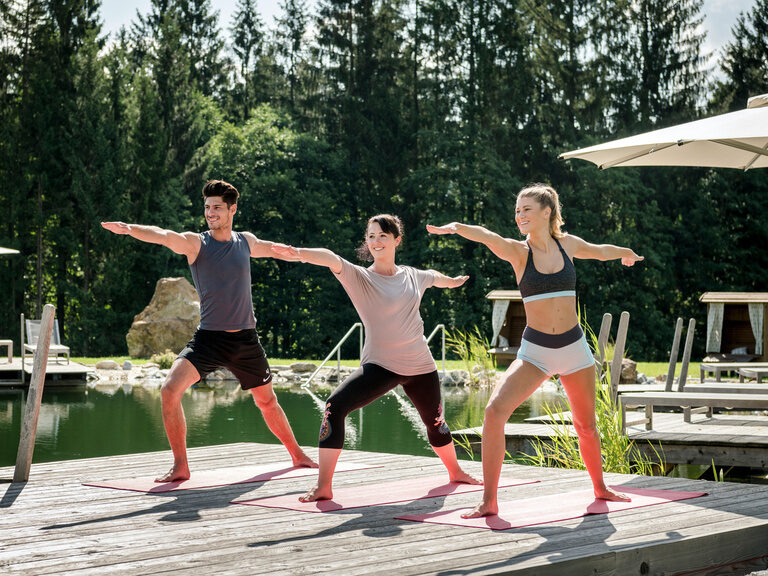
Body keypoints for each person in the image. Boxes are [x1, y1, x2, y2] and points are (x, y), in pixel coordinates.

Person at [427, 183, 643, 518]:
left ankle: (600, 487)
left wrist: (625, 251)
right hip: (536, 351)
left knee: (586, 425)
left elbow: (600, 250)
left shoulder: (567, 245)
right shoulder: (518, 252)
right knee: (494, 413)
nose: (519, 215)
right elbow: (486, 236)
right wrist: (455, 227)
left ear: (547, 212)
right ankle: (489, 500)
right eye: (517, 210)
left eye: (526, 209)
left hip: (574, 349)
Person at [102, 180, 316, 482]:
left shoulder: (246, 241)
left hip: (245, 340)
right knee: (169, 390)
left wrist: (302, 254)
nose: (210, 212)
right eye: (207, 207)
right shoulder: (196, 243)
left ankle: (297, 454)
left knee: (267, 402)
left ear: (232, 209)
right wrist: (130, 228)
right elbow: (164, 236)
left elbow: (274, 250)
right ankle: (181, 465)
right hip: (209, 340)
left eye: (216, 207)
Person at [272, 214, 481, 502]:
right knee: (334, 406)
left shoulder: (412, 275)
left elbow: (434, 277)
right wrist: (299, 254)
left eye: (383, 235)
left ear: (397, 240)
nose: (376, 241)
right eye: (371, 236)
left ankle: (455, 472)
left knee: (435, 423)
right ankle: (323, 485)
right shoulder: (361, 277)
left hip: (421, 366)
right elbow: (331, 258)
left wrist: (453, 282)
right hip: (380, 366)